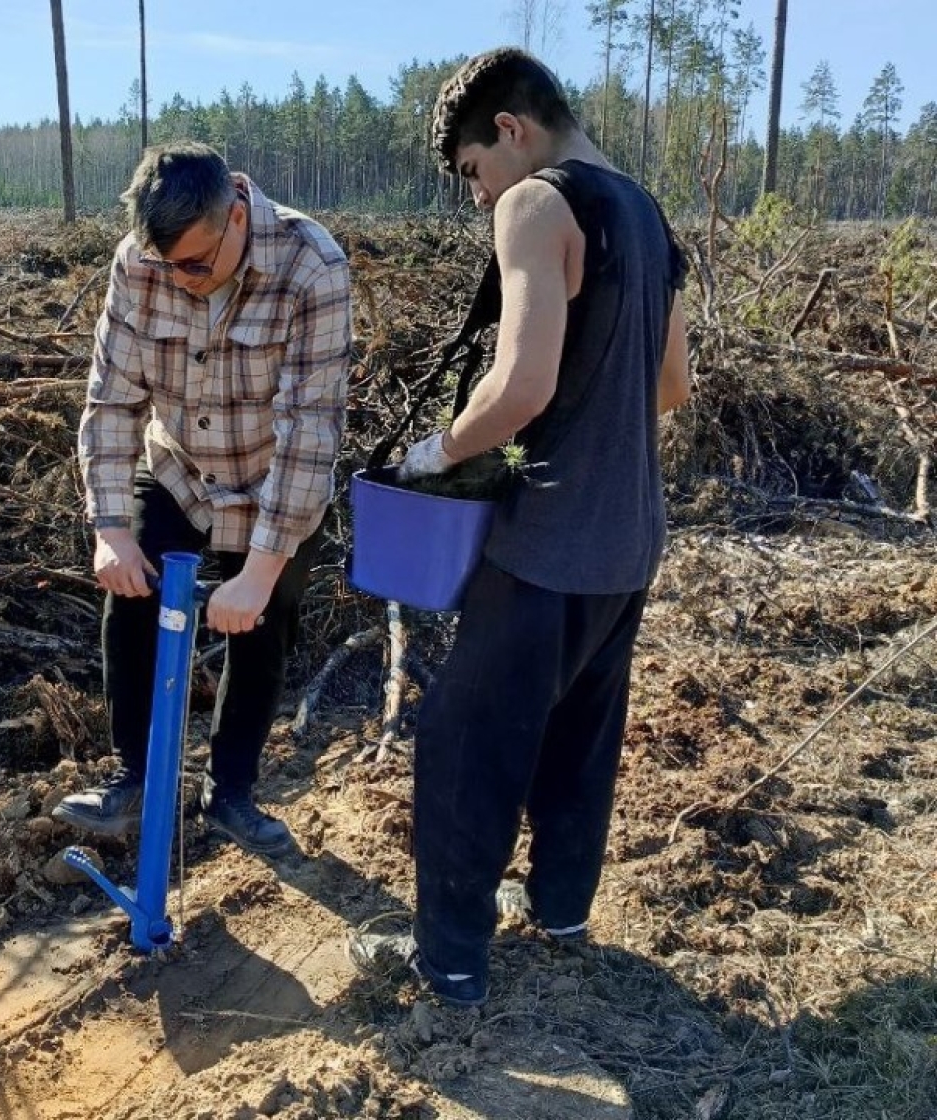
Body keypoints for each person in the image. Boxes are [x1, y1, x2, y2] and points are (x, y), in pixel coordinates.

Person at [353, 48, 692, 1005]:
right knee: (580, 736)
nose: (475, 196)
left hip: (541, 543)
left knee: (466, 747)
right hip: (628, 543)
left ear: (510, 130)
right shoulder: (648, 213)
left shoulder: (537, 204)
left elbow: (522, 385)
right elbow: (674, 388)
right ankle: (562, 913)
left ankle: (451, 963)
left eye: (470, 171)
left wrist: (435, 453)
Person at [53, 142, 352, 856]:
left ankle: (232, 795)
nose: (180, 281)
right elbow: (112, 402)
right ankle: (136, 780)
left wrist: (257, 573)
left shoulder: (312, 266)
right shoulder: (139, 263)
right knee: (131, 596)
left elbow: (310, 433)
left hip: (273, 482)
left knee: (263, 627)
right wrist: (111, 528)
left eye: (195, 264)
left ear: (237, 217)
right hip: (181, 466)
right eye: (165, 265)